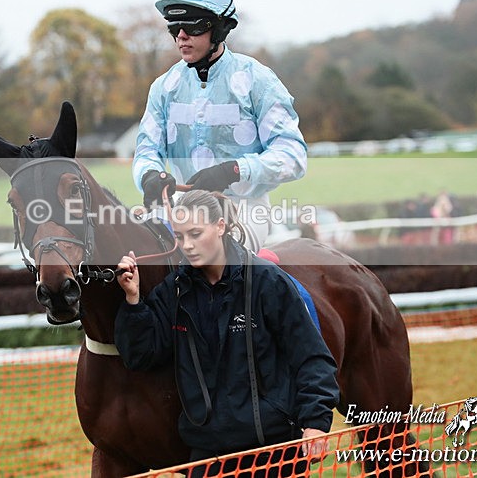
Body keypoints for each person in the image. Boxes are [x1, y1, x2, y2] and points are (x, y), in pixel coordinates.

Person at [115, 190, 339, 476]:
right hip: (208, 456)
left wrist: (315, 422)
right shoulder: (174, 291)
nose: (188, 245)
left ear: (220, 226)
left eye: (196, 233)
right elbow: (140, 355)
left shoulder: (268, 282)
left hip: (273, 451)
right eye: (181, 237)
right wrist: (133, 301)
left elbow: (312, 357)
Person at [133, 0, 308, 252]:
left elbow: (293, 157)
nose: (181, 36)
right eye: (174, 27)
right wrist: (149, 176)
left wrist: (235, 170)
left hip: (243, 208)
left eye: (193, 26)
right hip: (181, 208)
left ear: (220, 29)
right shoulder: (163, 87)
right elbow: (146, 152)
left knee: (211, 252)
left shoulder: (259, 80)